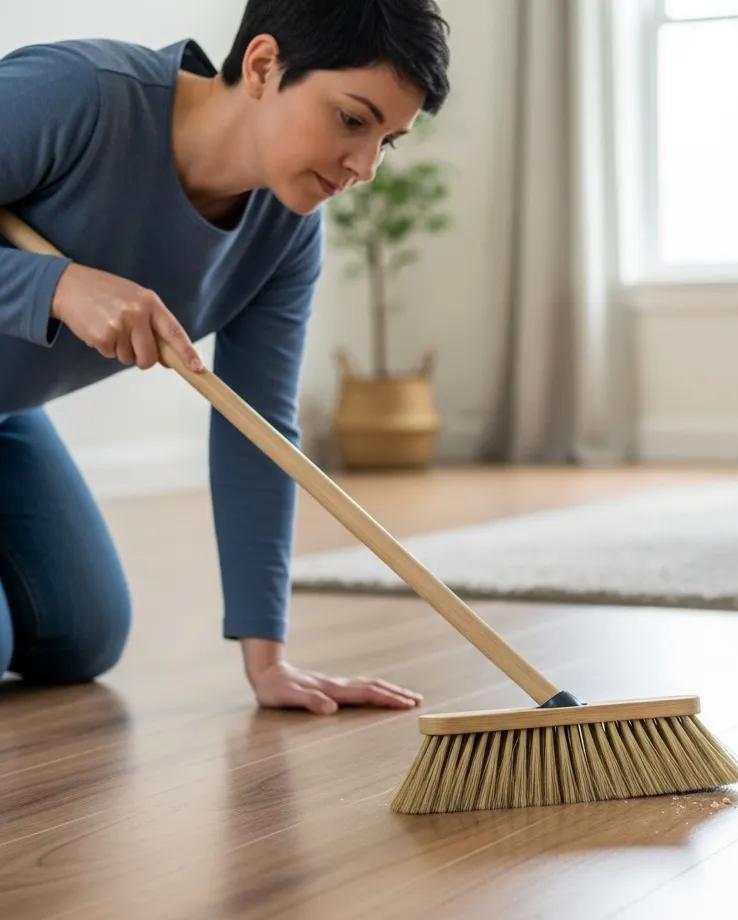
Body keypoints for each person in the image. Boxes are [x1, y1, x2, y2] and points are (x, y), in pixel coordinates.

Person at [0, 0, 449, 714]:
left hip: (7, 417)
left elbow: (259, 430)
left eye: (387, 141)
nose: (365, 167)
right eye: (353, 120)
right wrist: (54, 286)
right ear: (265, 65)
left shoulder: (287, 234)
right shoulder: (79, 94)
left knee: (83, 637)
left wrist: (268, 661)